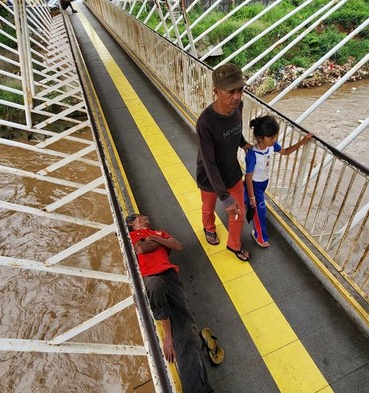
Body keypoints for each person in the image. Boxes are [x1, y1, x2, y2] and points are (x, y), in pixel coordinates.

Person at [126, 213, 221, 393]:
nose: (146, 217)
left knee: (187, 334)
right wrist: (160, 242)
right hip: (149, 278)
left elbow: (177, 245)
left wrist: (153, 237)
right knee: (155, 285)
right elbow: (140, 249)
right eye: (140, 217)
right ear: (132, 223)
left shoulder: (159, 232)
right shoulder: (130, 237)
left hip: (170, 277)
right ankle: (167, 330)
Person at [195, 63, 252, 262]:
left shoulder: (239, 107)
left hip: (232, 172)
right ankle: (209, 228)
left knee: (239, 212)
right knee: (208, 209)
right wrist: (225, 198)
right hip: (210, 178)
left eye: (240, 90)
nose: (237, 97)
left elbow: (236, 131)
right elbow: (209, 162)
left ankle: (233, 244)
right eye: (230, 92)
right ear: (216, 91)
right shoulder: (206, 122)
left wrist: (243, 143)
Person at [245, 115, 314, 248]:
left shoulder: (272, 146)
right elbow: (248, 177)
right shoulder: (252, 155)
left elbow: (286, 152)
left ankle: (246, 200)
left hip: (264, 182)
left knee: (257, 207)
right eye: (271, 137)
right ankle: (259, 236)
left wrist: (303, 141)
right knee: (260, 211)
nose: (274, 140)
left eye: (275, 136)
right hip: (255, 186)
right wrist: (252, 196)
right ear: (260, 138)